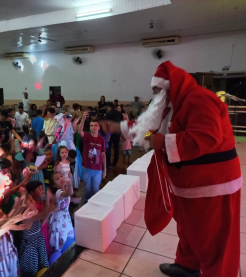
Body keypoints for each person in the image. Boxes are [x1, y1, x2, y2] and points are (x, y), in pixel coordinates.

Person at [102, 61, 242, 277]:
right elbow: (149, 131)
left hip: (213, 184)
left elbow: (205, 138)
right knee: (188, 228)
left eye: (158, 90)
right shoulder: (169, 107)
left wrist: (161, 142)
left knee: (215, 237)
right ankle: (187, 265)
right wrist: (119, 127)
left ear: (172, 86)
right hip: (187, 183)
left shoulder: (200, 99)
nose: (156, 95)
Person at [18, 194, 50, 277]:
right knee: (32, 272)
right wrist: (50, 200)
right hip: (30, 250)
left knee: (44, 267)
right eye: (31, 200)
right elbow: (44, 214)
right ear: (24, 206)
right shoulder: (27, 218)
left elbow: (41, 222)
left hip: (39, 243)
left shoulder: (34, 214)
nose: (34, 201)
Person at [78, 113, 106, 203]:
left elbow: (103, 155)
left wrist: (104, 169)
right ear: (89, 128)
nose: (93, 127)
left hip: (98, 169)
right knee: (87, 188)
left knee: (96, 188)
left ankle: (96, 203)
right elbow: (79, 131)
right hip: (86, 168)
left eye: (95, 125)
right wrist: (83, 119)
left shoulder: (101, 139)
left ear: (99, 127)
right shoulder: (86, 136)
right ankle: (86, 202)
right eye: (91, 125)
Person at [48, 172, 74, 252]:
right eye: (57, 179)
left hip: (65, 217)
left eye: (61, 176)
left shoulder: (65, 189)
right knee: (61, 239)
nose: (61, 179)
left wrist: (68, 183)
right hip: (59, 220)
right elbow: (70, 193)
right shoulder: (58, 192)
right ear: (55, 185)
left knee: (67, 238)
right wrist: (69, 182)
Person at [105, 102, 122, 168]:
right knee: (116, 147)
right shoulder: (119, 113)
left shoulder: (108, 113)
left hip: (111, 132)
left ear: (109, 107)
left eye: (107, 107)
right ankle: (115, 163)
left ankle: (108, 163)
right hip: (118, 131)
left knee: (108, 146)